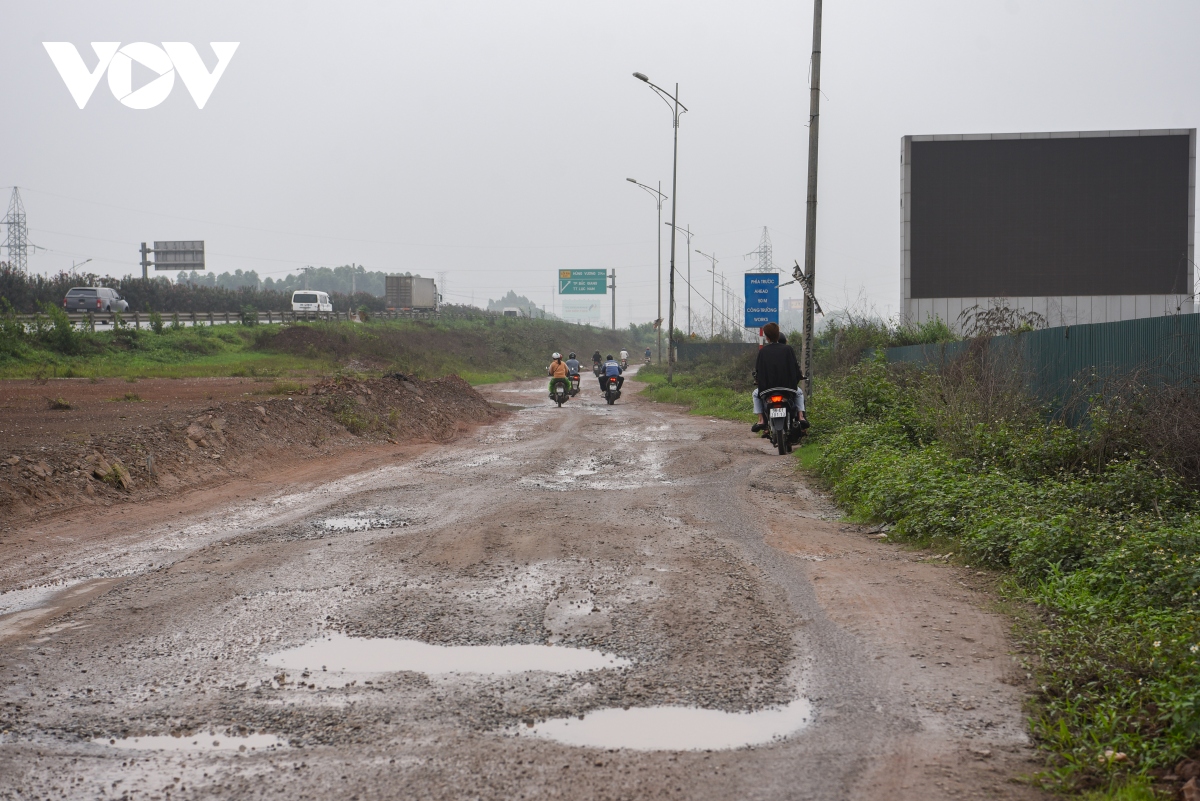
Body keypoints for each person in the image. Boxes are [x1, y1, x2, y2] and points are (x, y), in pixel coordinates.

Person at [751, 323, 805, 433]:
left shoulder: (763, 352)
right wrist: (798, 377)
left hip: (767, 389)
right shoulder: (788, 349)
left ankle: (761, 420)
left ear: (767, 337)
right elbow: (795, 367)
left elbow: (758, 371)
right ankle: (801, 416)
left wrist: (757, 380)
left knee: (755, 394)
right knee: (799, 393)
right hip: (788, 388)